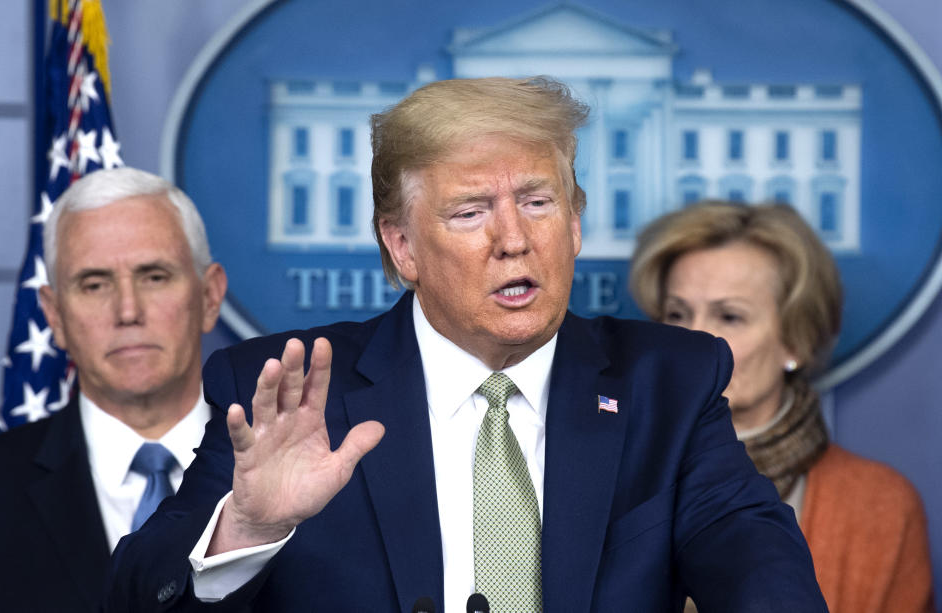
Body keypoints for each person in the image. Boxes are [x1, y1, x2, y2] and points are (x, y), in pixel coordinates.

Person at [105, 78, 827, 612]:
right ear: (402, 245)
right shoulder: (286, 391)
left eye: (539, 203)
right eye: (470, 211)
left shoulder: (667, 383)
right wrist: (249, 526)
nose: (514, 239)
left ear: (574, 224)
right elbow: (136, 597)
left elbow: (757, 563)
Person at [629, 200, 934, 613]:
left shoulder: (880, 506)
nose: (694, 343)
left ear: (796, 340)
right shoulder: (613, 476)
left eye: (729, 317)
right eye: (677, 314)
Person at [0, 167, 227, 612]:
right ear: (54, 316)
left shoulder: (296, 482)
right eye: (94, 285)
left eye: (154, 276)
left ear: (210, 296)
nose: (127, 311)